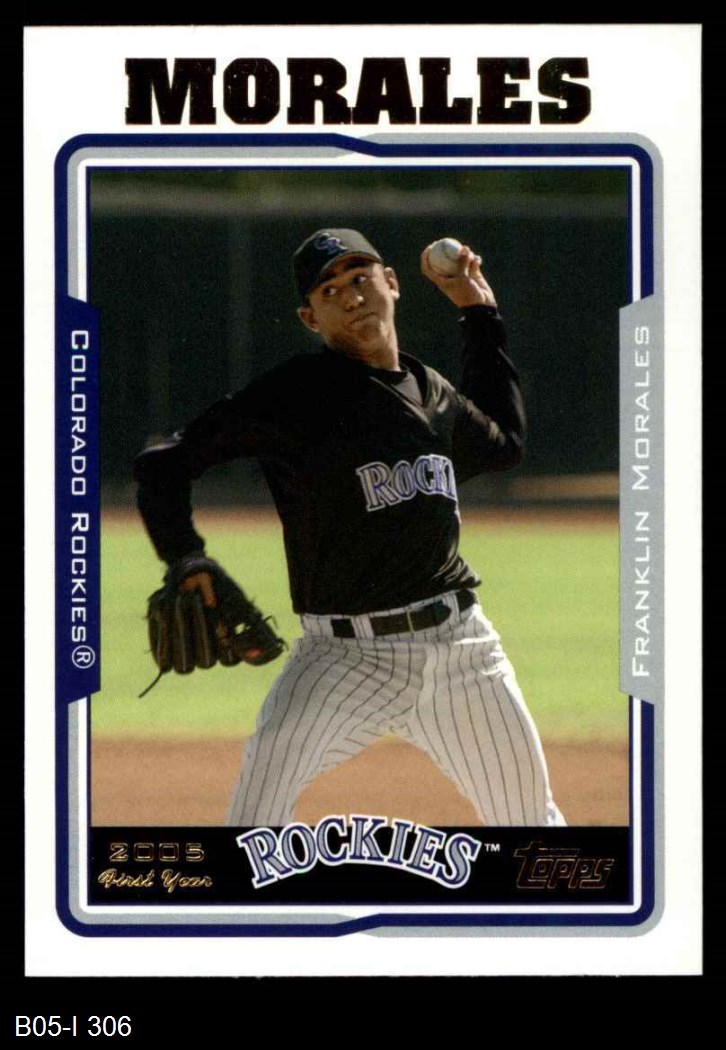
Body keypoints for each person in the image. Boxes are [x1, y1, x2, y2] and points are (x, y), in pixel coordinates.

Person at [134, 228, 566, 827]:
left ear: (391, 283)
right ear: (310, 317)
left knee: (532, 827)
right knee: (254, 823)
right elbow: (164, 466)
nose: (352, 296)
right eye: (330, 291)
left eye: (360, 278)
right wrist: (185, 556)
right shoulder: (296, 395)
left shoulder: (431, 391)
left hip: (463, 649)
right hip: (343, 658)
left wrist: (478, 313)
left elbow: (504, 444)